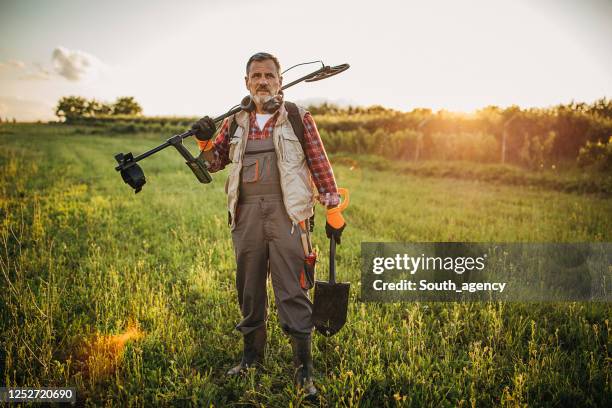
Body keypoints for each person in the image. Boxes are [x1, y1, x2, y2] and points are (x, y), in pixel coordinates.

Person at [191, 52, 346, 397]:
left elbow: (320, 163)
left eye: (269, 75)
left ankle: (303, 372)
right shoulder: (234, 121)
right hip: (245, 214)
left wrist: (333, 207)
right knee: (249, 288)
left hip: (289, 214)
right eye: (256, 76)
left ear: (279, 80)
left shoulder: (296, 116)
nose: (263, 81)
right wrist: (204, 139)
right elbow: (214, 162)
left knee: (293, 288)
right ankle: (250, 360)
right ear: (246, 82)